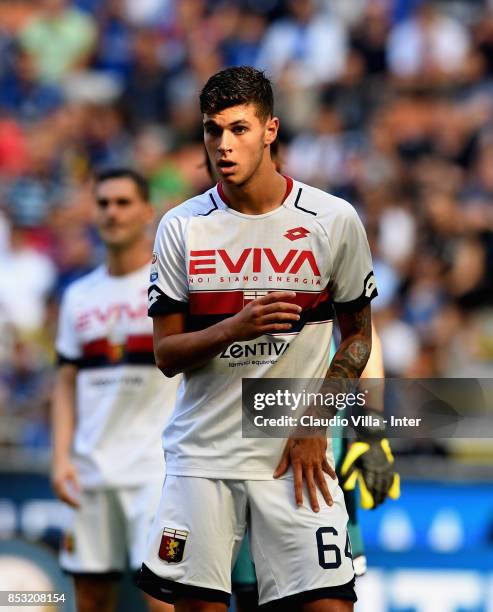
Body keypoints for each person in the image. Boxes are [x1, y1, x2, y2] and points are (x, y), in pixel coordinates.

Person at [138, 66, 378, 611]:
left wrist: (318, 423)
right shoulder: (182, 226)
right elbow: (166, 354)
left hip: (296, 455)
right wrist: (234, 327)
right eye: (212, 130)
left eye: (239, 129)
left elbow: (358, 337)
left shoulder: (333, 219)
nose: (223, 145)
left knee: (330, 605)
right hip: (204, 457)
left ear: (270, 129)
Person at [51, 168, 176, 612]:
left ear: (147, 211)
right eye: (103, 203)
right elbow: (66, 383)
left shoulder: (171, 285)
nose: (112, 212)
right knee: (90, 599)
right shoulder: (78, 296)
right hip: (91, 471)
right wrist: (61, 457)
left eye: (123, 203)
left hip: (157, 471)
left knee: (163, 599)